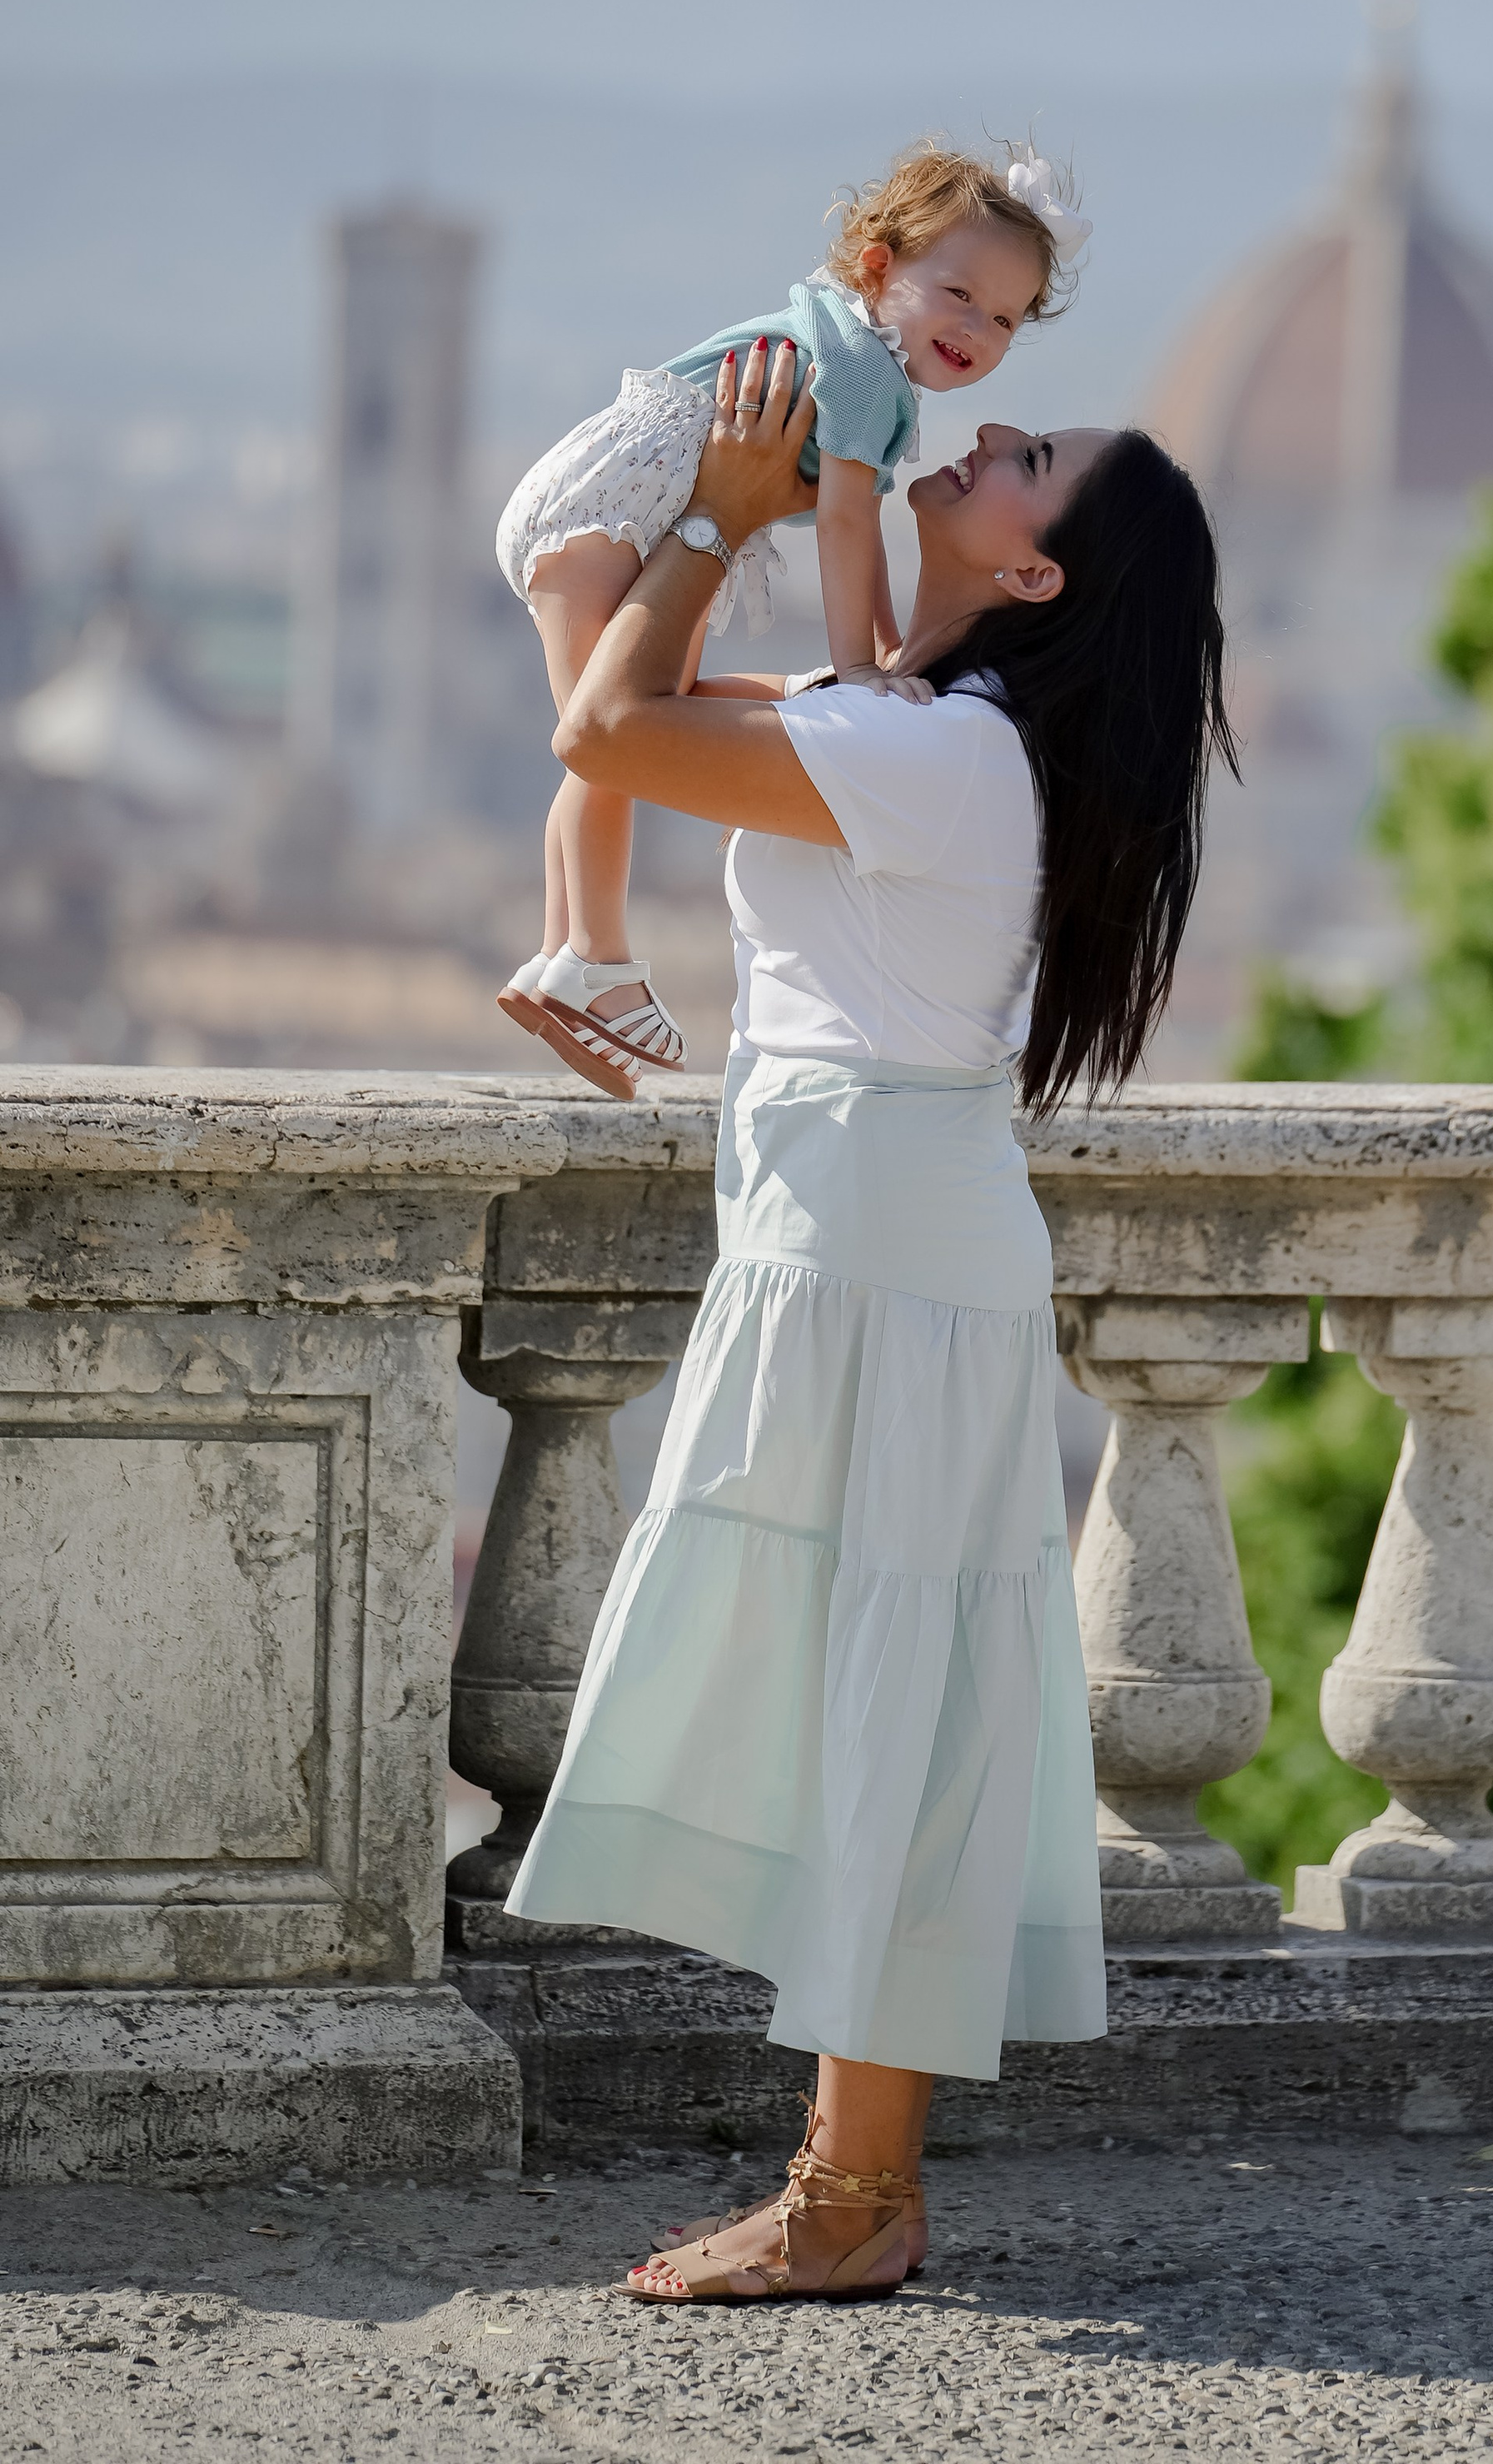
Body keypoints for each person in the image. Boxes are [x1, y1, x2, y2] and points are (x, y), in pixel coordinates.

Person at [503, 332, 1235, 2304]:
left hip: (881, 1257)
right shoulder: (935, 728)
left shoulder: (934, 757)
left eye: (1021, 460)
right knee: (867, 1690)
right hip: (859, 1239)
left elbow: (606, 731)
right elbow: (640, 694)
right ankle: (850, 2182)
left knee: (890, 1704)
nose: (981, 434)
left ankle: (853, 2196)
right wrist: (724, 523)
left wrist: (718, 523)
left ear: (1034, 574)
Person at [490, 145, 1090, 1098]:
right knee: (613, 739)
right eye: (959, 294)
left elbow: (861, 530)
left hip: (624, 513)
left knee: (632, 724)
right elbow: (850, 525)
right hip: (619, 508)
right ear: (881, 269)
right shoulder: (862, 372)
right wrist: (862, 668)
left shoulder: (861, 358)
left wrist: (885, 654)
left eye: (1006, 317)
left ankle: (567, 954)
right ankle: (593, 960)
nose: (978, 329)